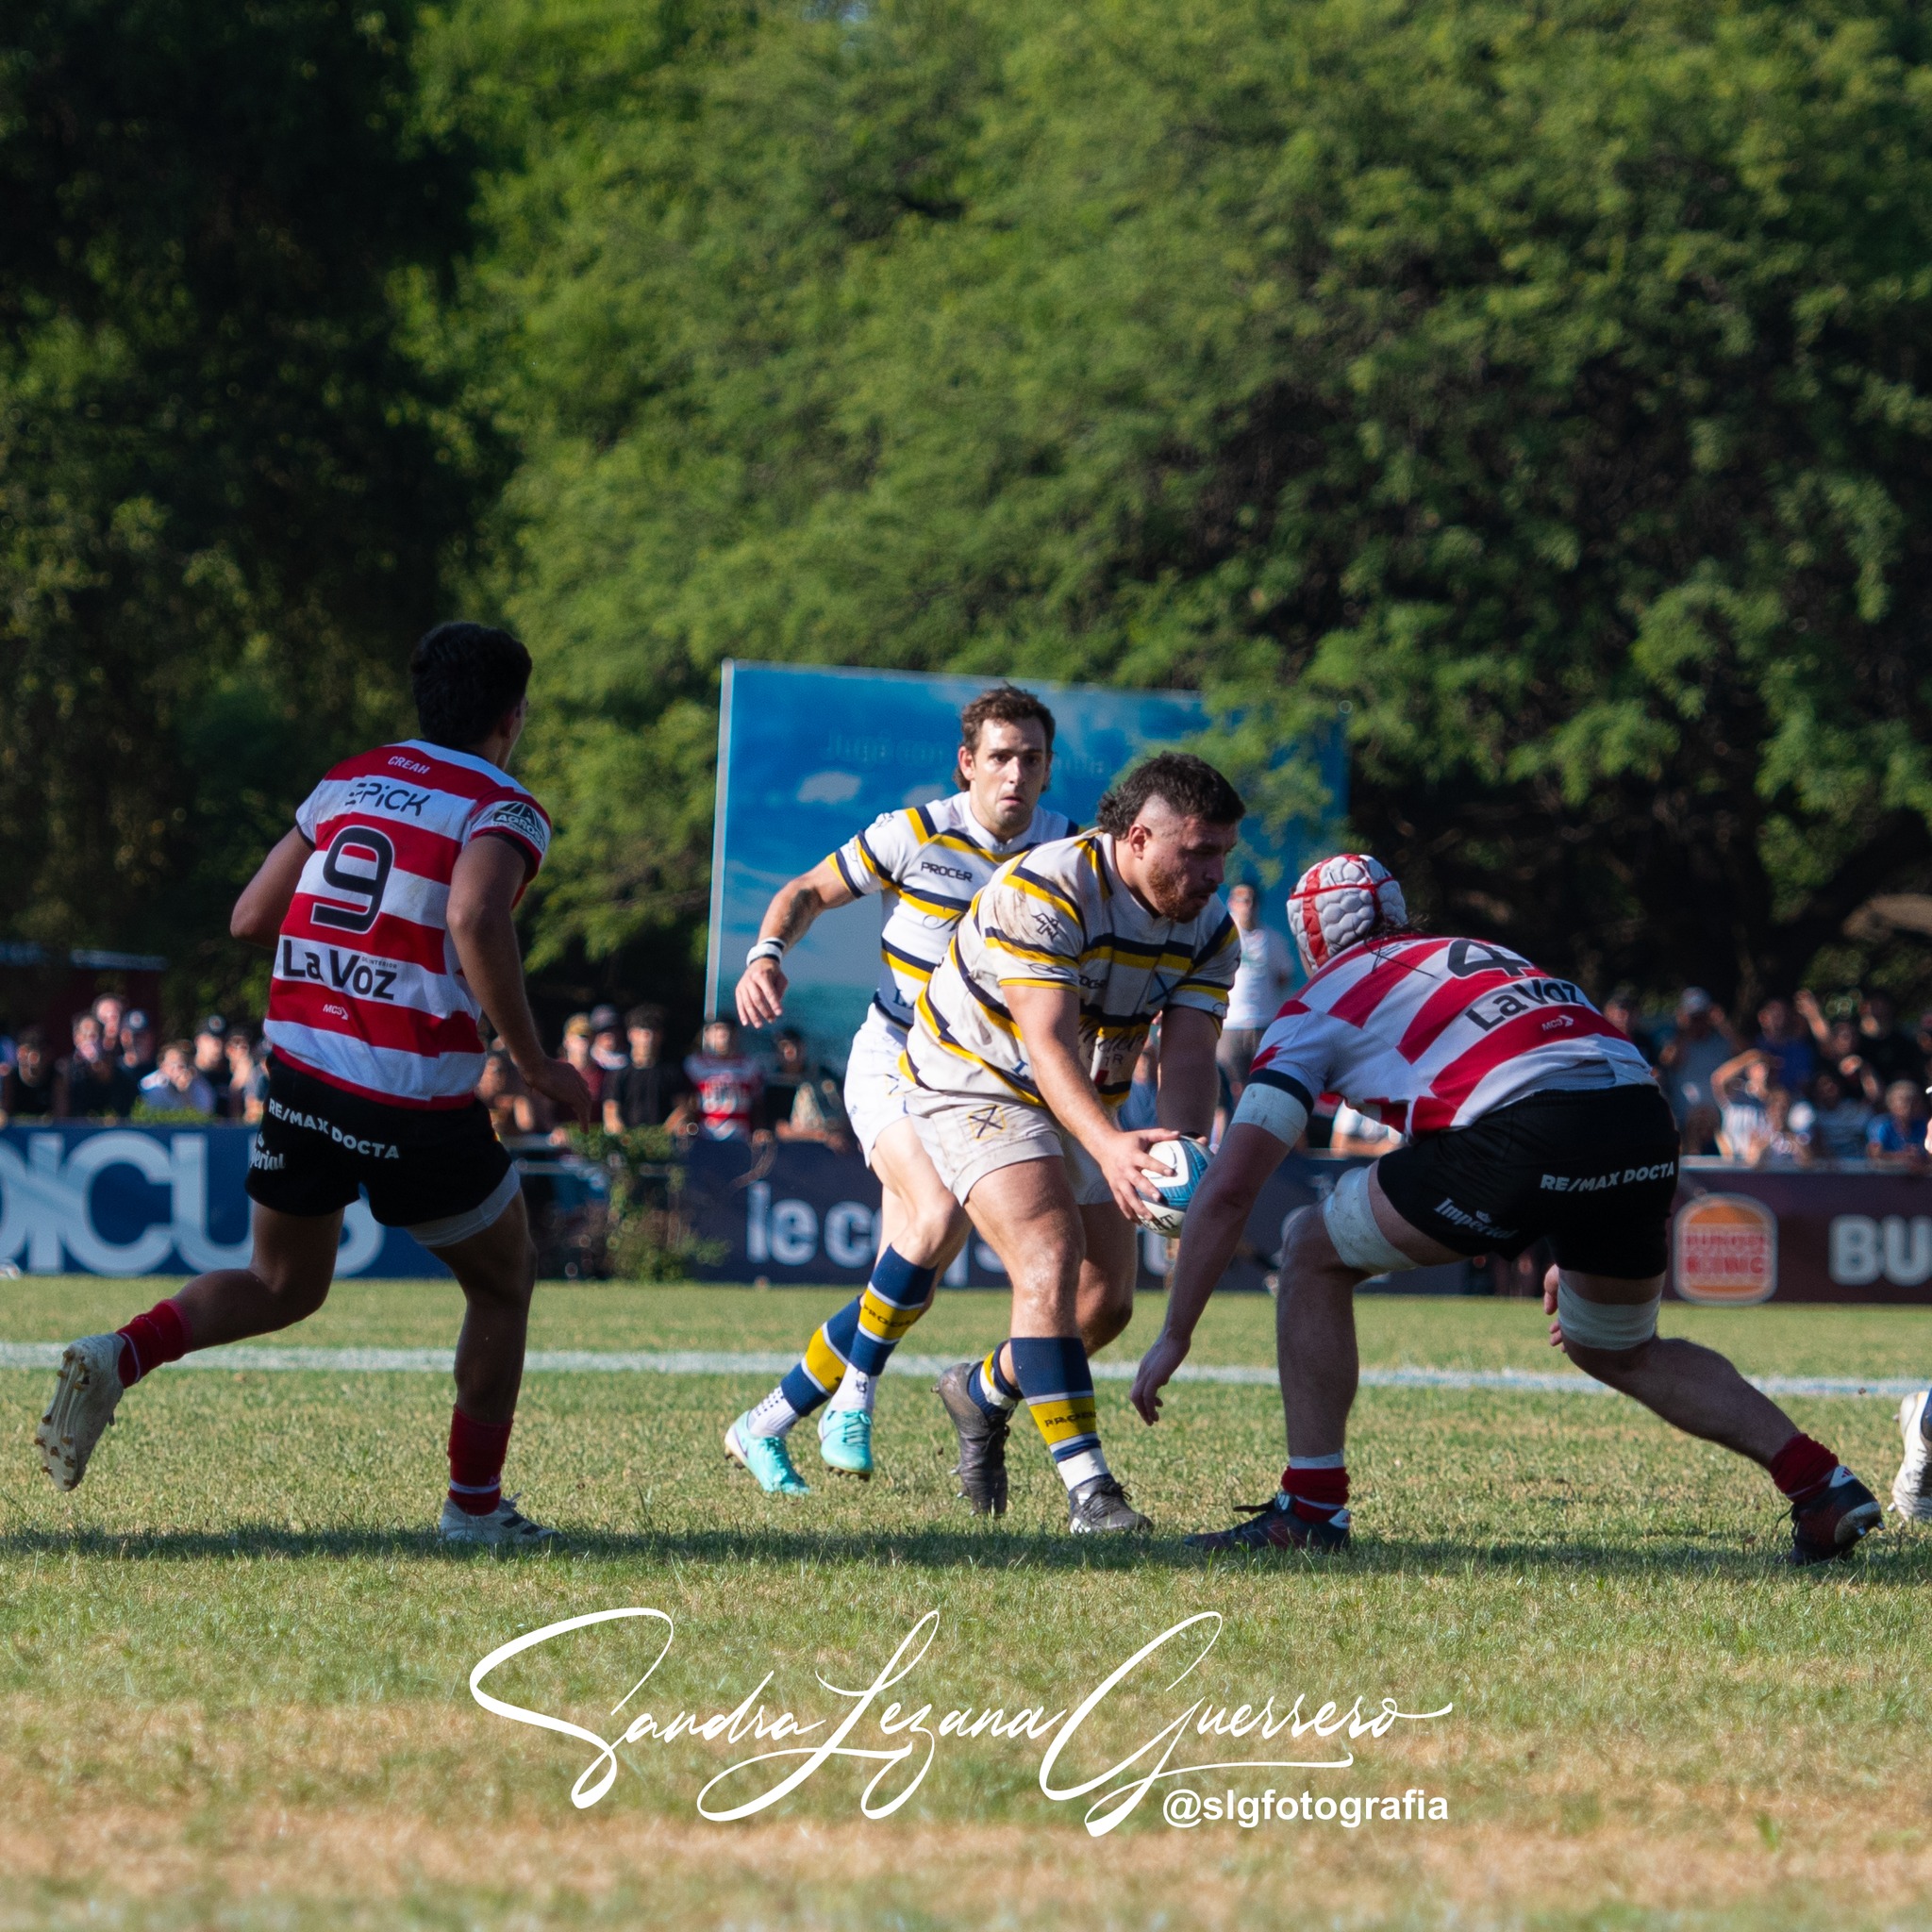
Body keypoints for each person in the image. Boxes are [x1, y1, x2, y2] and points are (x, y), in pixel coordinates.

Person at [1129, 853, 1884, 1566]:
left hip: (1528, 1130)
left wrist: (1173, 1335)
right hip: (1638, 1116)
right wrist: (1573, 1219)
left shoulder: (1316, 1004)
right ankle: (1821, 1484)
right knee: (1618, 1344)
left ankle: (1313, 1510)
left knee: (1309, 1247)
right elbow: (1571, 1071)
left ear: (1312, 939)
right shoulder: (1485, 952)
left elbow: (1231, 1187)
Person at [34, 621, 595, 1545]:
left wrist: (350, 954)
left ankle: (118, 1351)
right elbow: (473, 910)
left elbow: (252, 912)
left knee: (283, 1280)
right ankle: (472, 1507)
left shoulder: (349, 778)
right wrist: (533, 1061)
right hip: (408, 1089)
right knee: (503, 1281)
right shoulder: (502, 803)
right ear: (512, 716)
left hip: (300, 1071)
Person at [727, 686, 1075, 1491]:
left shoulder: (1067, 854)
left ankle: (766, 1422)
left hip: (987, 1081)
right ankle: (855, 1396)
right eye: (999, 757)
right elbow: (807, 890)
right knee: (936, 1215)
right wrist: (766, 951)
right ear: (968, 763)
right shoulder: (915, 831)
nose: (1014, 775)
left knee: (907, 1278)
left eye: (1031, 759)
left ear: (1049, 768)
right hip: (896, 1059)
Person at [915, 752, 1242, 1535]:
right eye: (1196, 852)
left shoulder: (1210, 928)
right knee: (1048, 1255)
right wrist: (1110, 1146)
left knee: (1104, 1306)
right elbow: (1047, 1043)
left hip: (1086, 1099)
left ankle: (983, 1389)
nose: (1212, 873)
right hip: (976, 1077)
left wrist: (1180, 1156)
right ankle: (1091, 1494)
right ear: (1136, 838)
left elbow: (1190, 1052)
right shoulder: (1045, 890)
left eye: (1223, 855)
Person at [1220, 883, 1294, 1097]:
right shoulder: (1222, 937)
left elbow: (1284, 976)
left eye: (1251, 900)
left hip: (1263, 1024)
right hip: (1230, 1025)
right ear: (1232, 903)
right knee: (1229, 1088)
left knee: (1263, 1086)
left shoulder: (1273, 939)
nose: (1247, 906)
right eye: (1241, 900)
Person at [1657, 988, 1737, 1153]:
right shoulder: (1677, 1043)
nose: (1697, 1022)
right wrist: (1681, 1029)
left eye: (1701, 1016)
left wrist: (1723, 1024)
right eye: (1693, 1017)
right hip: (1685, 1126)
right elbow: (1667, 1060)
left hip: (1719, 1125)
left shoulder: (1720, 1042)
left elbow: (1745, 1053)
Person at [602, 1004, 691, 1133]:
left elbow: (682, 1109)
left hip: (663, 1144)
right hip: (626, 1143)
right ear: (631, 1035)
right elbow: (610, 1111)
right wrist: (625, 1139)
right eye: (642, 1033)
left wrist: (659, 1137)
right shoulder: (618, 1074)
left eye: (651, 1033)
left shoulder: (671, 1072)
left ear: (660, 1036)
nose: (647, 1039)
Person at [1789, 1068, 1871, 1163]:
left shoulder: (1855, 1109)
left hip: (1858, 1169)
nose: (1829, 1087)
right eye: (1823, 1085)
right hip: (1827, 1172)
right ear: (1815, 1091)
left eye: (1832, 1083)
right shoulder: (1810, 1114)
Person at [138, 1041, 218, 1116]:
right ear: (162, 1066)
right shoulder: (150, 1087)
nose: (178, 1070)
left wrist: (185, 1094)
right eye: (173, 1064)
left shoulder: (202, 1088)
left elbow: (203, 1118)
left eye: (182, 1065)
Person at [1753, 997, 1814, 1093]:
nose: (1778, 1016)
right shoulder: (1752, 1045)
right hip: (1755, 1101)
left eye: (1781, 1013)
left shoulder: (1800, 1050)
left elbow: (1803, 1087)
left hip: (1789, 1103)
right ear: (1762, 1017)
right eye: (1773, 1012)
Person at [1867, 1080, 1929, 1168]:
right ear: (1891, 1103)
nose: (1909, 1106)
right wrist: (1903, 1156)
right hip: (1886, 1176)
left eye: (1914, 1101)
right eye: (1904, 1100)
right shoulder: (1880, 1124)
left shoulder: (1925, 1126)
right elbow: (1874, 1153)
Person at [0, 1027, 57, 1123]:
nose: (39, 1060)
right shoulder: (10, 1078)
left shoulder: (56, 1078)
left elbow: (61, 1119)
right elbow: (3, 1115)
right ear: (21, 1053)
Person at [1599, 987, 1658, 1065]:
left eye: (1632, 1011)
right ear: (1608, 1011)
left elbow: (1655, 1067)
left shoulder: (1644, 1041)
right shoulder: (1599, 1041)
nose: (1627, 1017)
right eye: (1621, 1012)